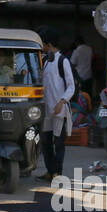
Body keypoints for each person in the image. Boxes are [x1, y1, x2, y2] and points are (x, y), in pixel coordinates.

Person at [36, 26, 75, 184]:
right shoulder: (45, 61)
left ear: (49, 44)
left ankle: (57, 173)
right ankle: (50, 170)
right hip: (46, 109)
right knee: (46, 142)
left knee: (58, 143)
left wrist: (62, 101)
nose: (42, 48)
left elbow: (71, 86)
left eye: (43, 45)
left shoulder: (62, 61)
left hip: (59, 109)